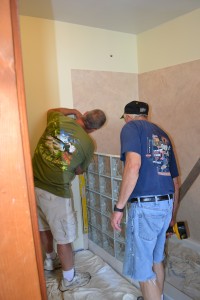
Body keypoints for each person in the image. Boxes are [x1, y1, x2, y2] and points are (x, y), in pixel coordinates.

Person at [111, 101, 179, 300]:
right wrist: (172, 216)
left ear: (128, 116)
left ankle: (152, 296)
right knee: (157, 259)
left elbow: (133, 165)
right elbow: (175, 182)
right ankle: (157, 295)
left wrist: (119, 208)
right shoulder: (162, 134)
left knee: (142, 268)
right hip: (166, 204)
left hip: (146, 206)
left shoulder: (131, 128)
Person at [32, 107, 106, 292]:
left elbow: (51, 110)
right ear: (94, 130)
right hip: (56, 192)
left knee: (43, 226)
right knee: (64, 238)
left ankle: (50, 261)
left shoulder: (57, 119)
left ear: (84, 114)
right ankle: (69, 280)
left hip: (32, 184)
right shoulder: (88, 144)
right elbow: (80, 170)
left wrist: (73, 110)